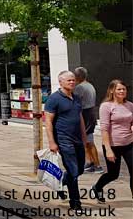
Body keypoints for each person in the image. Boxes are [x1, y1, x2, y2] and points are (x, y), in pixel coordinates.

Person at [44, 71, 88, 213]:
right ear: (60, 82)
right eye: (69, 80)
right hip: (63, 140)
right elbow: (48, 121)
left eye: (73, 80)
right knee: (73, 171)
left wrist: (84, 136)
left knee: (80, 169)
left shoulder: (76, 98)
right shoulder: (54, 99)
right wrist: (52, 142)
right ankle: (75, 203)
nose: (72, 82)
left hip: (77, 140)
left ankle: (61, 182)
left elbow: (79, 117)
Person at [90, 80, 132, 205]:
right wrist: (108, 149)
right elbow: (104, 129)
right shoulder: (106, 106)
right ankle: (97, 187)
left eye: (124, 89)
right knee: (113, 174)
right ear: (112, 90)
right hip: (112, 145)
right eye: (119, 89)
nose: (122, 91)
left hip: (129, 143)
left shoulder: (130, 105)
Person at [73, 67, 102, 173]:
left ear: (78, 77)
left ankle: (97, 165)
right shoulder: (89, 85)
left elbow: (74, 101)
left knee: (88, 141)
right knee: (86, 141)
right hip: (90, 114)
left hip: (85, 115)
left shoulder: (79, 87)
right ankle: (89, 162)